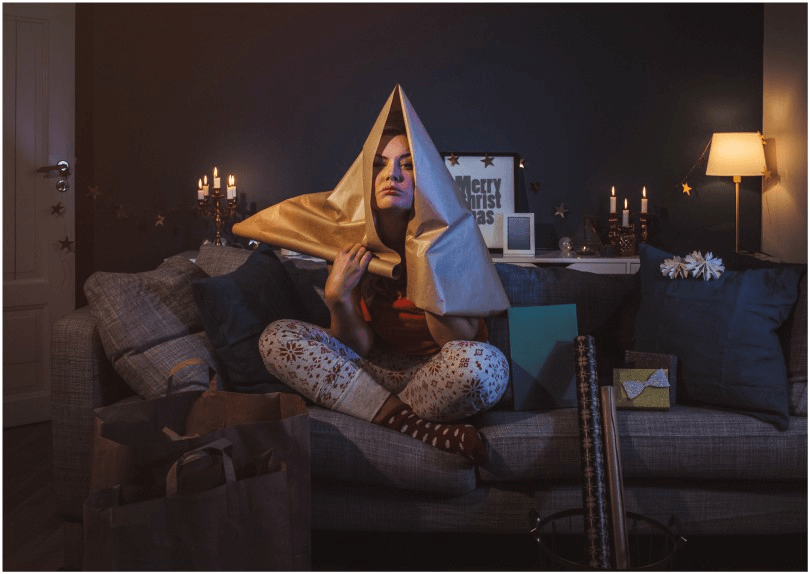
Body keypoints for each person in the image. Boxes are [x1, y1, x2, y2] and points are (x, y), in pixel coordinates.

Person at [252, 87, 510, 464]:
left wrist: (428, 269)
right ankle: (409, 423)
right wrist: (338, 298)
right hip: (373, 370)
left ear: (425, 177)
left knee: (483, 366)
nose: (392, 174)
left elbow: (454, 341)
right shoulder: (351, 241)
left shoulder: (454, 238)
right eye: (379, 164)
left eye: (408, 164)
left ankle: (377, 410)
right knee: (277, 338)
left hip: (436, 373)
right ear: (365, 177)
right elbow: (356, 345)